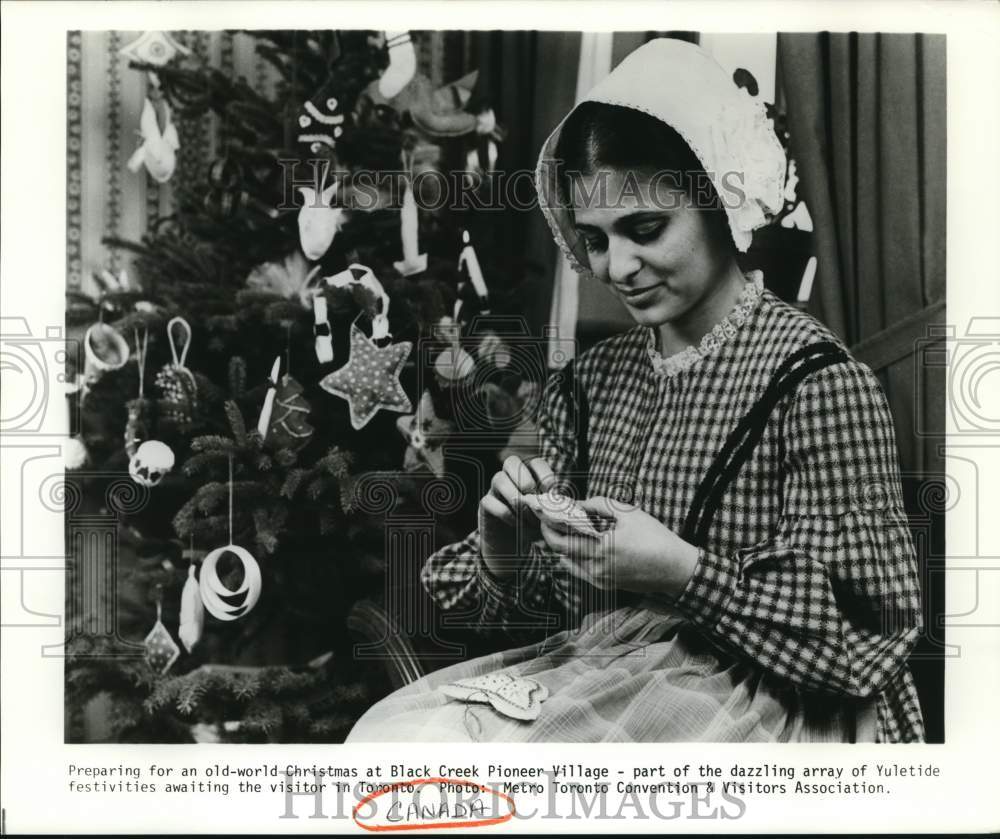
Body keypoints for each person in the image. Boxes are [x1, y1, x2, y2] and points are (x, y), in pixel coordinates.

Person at [347, 38, 924, 743]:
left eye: (645, 229)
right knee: (395, 743)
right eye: (593, 238)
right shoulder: (589, 384)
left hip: (775, 713)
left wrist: (684, 572)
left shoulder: (818, 384)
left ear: (721, 199)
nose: (616, 267)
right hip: (610, 679)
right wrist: (504, 545)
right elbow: (545, 610)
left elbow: (870, 630)